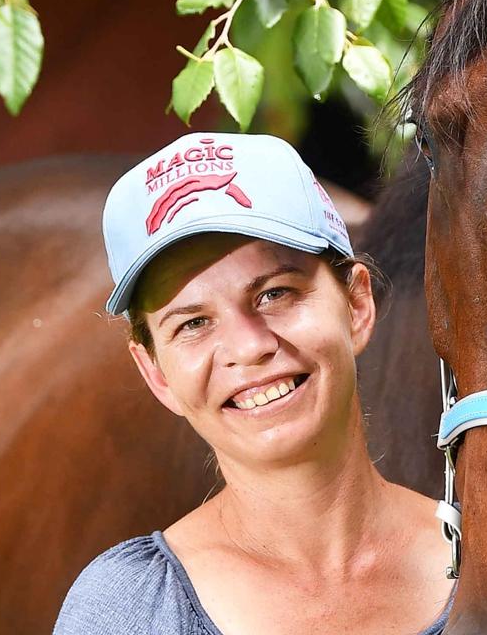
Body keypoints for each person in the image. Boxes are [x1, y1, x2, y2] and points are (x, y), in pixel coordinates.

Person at [53, 132, 453, 635]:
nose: (248, 347)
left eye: (274, 294)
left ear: (356, 304)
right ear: (156, 373)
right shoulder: (126, 611)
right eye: (192, 323)